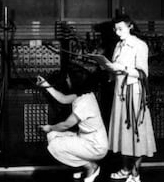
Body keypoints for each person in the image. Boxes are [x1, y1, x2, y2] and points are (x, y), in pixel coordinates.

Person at [104, 14, 156, 182]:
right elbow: (115, 69)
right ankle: (125, 168)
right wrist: (109, 68)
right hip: (119, 94)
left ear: (130, 26)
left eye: (121, 29)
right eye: (115, 29)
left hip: (134, 94)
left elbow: (142, 73)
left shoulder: (139, 46)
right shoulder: (119, 45)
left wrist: (122, 68)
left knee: (137, 134)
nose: (118, 32)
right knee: (123, 134)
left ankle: (135, 173)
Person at [37, 70, 108, 182]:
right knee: (52, 136)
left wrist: (49, 127)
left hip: (95, 146)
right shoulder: (83, 93)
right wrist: (46, 85)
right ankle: (81, 166)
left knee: (55, 145)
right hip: (86, 139)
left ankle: (91, 167)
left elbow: (66, 125)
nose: (66, 80)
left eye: (68, 78)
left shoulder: (84, 102)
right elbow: (63, 99)